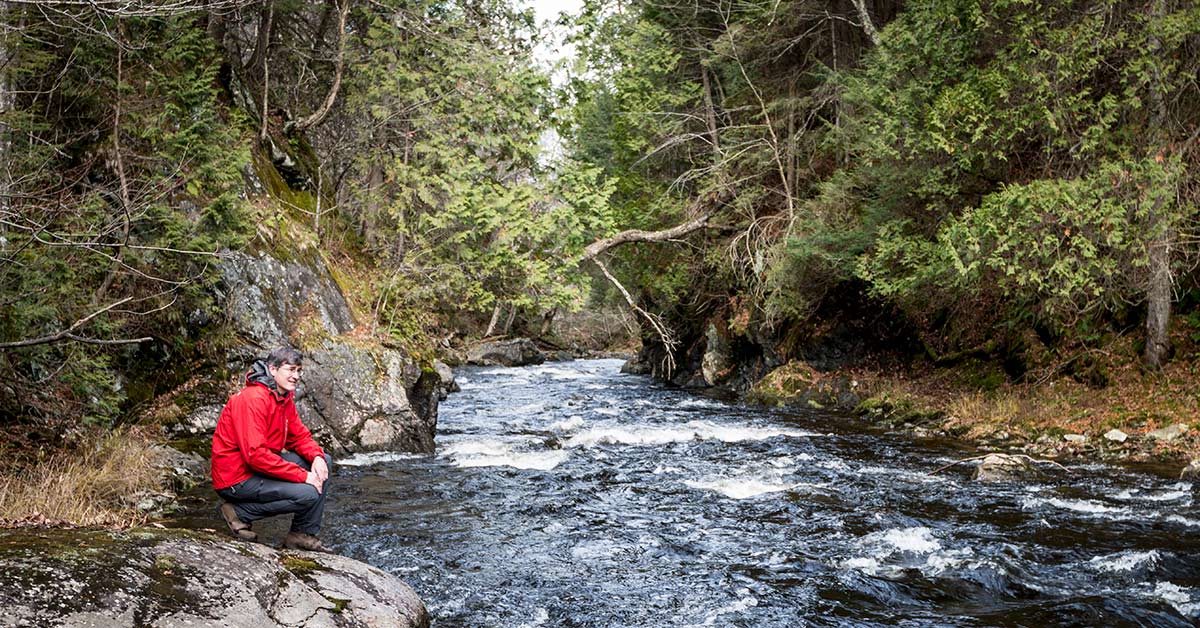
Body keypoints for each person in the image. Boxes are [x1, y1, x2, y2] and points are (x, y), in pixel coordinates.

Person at [211, 346, 333, 552]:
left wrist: (317, 457)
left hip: (257, 468)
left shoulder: (283, 398)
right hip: (235, 478)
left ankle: (301, 534)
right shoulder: (253, 399)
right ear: (273, 370)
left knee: (324, 461)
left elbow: (299, 437)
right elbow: (255, 455)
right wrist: (302, 476)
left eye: (299, 371)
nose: (296, 376)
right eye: (291, 370)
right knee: (308, 493)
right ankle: (240, 512)